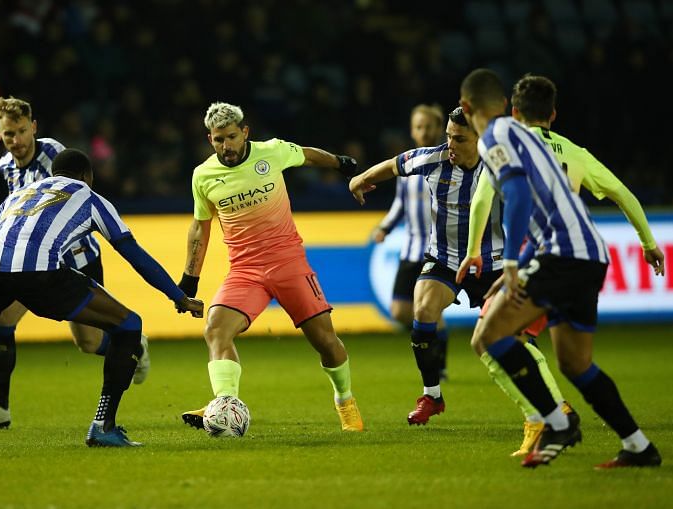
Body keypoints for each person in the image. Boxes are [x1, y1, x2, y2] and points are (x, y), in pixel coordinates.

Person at [0, 148, 204, 449]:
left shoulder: (20, 194)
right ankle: (102, 426)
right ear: (87, 176)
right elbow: (133, 253)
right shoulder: (90, 197)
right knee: (129, 325)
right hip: (43, 277)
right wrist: (178, 296)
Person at [458, 68, 661, 468]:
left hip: (562, 254)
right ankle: (638, 446)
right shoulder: (551, 145)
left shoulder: (496, 138)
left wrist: (513, 263)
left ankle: (557, 422)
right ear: (504, 105)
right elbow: (549, 205)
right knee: (575, 363)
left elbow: (514, 192)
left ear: (467, 109)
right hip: (589, 255)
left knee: (488, 335)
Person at [177, 102, 364, 432]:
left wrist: (341, 164)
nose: (226, 146)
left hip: (289, 263)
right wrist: (189, 278)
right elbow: (200, 227)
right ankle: (224, 404)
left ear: (245, 132)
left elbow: (306, 154)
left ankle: (344, 400)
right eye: (219, 140)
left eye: (232, 137)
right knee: (216, 329)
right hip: (245, 271)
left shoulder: (272, 152)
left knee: (325, 342)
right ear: (210, 139)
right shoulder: (203, 176)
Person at [0, 97, 150, 430]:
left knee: (88, 343)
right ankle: (0, 406)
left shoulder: (53, 153)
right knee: (2, 320)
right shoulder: (6, 165)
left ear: (33, 127)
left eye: (22, 131)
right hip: (34, 263)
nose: (17, 141)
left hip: (78, 259)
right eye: (9, 134)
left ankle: (132, 343)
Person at [348, 106, 505, 426]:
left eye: (459, 139)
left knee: (510, 339)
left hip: (493, 261)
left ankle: (550, 403)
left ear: (479, 138)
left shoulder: (500, 164)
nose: (451, 144)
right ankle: (432, 395)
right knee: (422, 311)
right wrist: (361, 178)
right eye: (448, 136)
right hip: (444, 258)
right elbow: (395, 165)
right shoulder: (433, 159)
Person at [370, 104, 450, 379]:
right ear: (412, 130)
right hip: (410, 248)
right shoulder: (406, 164)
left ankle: (438, 362)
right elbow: (399, 205)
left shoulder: (447, 163)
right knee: (399, 309)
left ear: (439, 129)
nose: (424, 131)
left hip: (436, 252)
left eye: (429, 126)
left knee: (427, 306)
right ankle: (438, 334)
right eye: (419, 126)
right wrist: (385, 226)